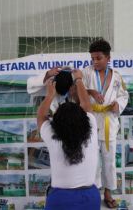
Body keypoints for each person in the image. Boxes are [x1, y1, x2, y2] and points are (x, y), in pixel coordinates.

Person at [37, 69, 100, 210]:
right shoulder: (91, 129)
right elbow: (86, 105)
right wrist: (78, 80)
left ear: (57, 123)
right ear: (83, 119)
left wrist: (50, 95)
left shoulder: (53, 136)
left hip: (60, 199)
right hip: (90, 197)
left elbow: (41, 116)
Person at [82, 39, 129, 208]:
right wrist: (91, 91)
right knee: (92, 161)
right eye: (92, 58)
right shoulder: (85, 73)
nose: (95, 62)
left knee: (109, 161)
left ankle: (108, 193)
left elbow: (124, 95)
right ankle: (93, 193)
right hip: (91, 123)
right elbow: (75, 91)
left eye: (98, 58)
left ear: (108, 58)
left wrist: (118, 104)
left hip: (109, 121)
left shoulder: (117, 76)